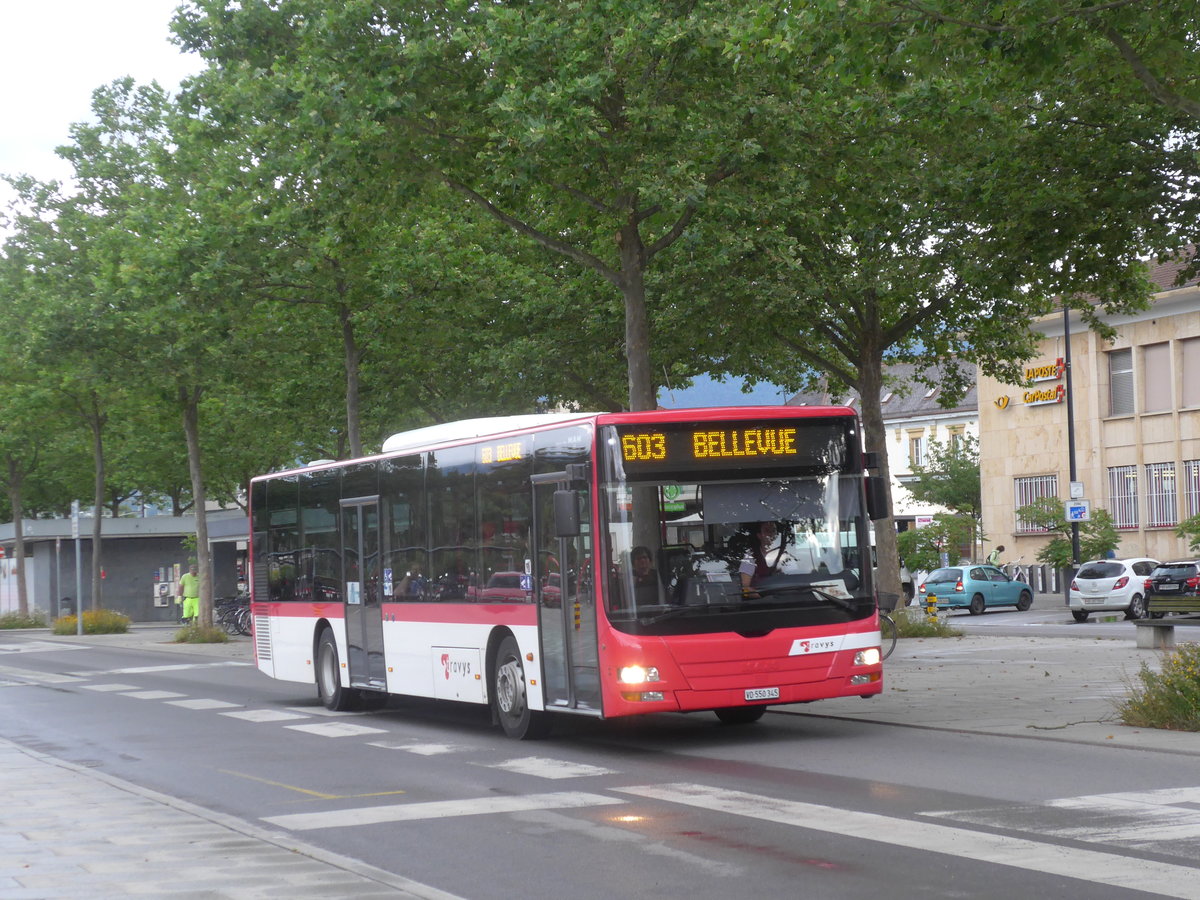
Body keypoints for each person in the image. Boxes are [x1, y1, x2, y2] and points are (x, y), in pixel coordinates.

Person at [740, 521, 779, 598]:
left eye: (774, 530)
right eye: (767, 530)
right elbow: (744, 589)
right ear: (759, 535)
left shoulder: (785, 555)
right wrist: (763, 598)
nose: (771, 534)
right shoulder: (750, 558)